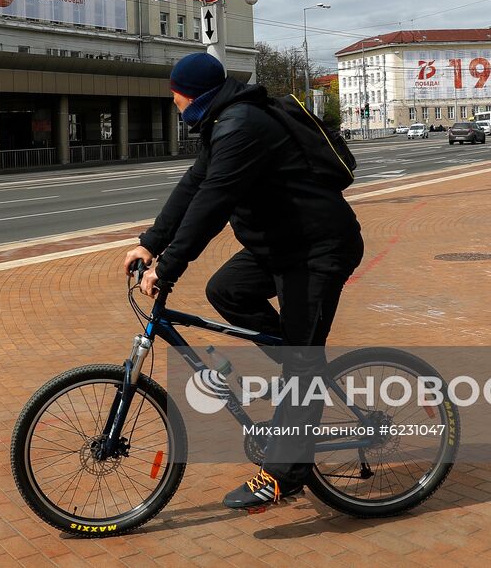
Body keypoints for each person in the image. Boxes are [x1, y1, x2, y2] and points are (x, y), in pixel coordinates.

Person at [123, 53, 364, 511]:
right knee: (227, 290)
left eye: (173, 92)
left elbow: (213, 203)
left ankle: (283, 476)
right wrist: (150, 243)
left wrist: (168, 267)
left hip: (316, 250)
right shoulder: (224, 122)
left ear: (187, 94)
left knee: (301, 368)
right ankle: (300, 360)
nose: (172, 101)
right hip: (278, 247)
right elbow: (193, 186)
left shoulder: (242, 125)